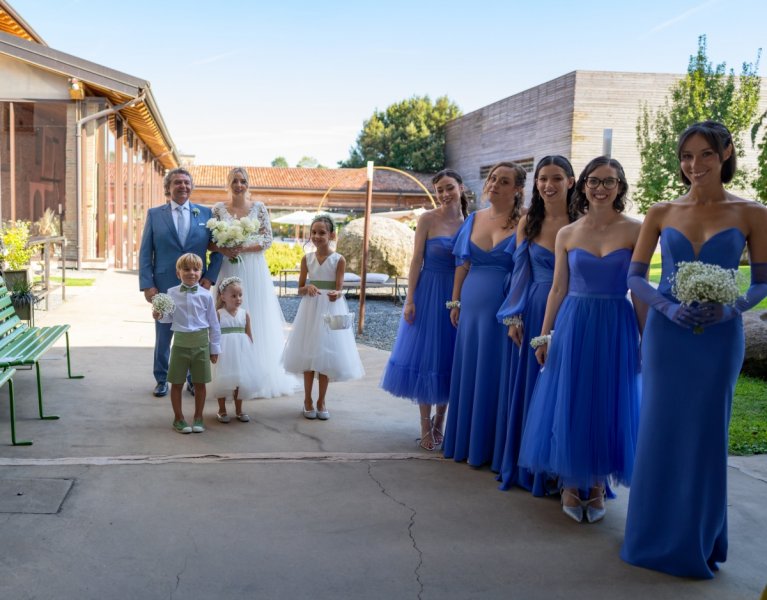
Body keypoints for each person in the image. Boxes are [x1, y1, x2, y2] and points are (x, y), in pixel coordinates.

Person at [621, 121, 767, 578]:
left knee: (705, 436)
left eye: (705, 155)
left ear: (725, 153)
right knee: (660, 431)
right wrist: (665, 307)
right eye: (686, 156)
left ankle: (697, 541)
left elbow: (762, 281)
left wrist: (733, 309)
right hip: (669, 336)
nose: (694, 165)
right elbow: (635, 277)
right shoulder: (661, 211)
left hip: (719, 339)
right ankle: (650, 539)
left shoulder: (753, 212)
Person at [517, 156, 642, 523]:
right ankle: (572, 483)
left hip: (616, 322)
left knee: (608, 399)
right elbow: (557, 288)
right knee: (572, 398)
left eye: (609, 181)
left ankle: (599, 484)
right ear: (583, 184)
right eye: (594, 181)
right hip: (574, 322)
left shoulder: (637, 230)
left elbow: (640, 289)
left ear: (620, 187)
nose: (601, 188)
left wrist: (646, 339)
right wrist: (542, 336)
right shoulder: (567, 234)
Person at [495, 155, 577, 494]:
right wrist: (514, 315)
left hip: (574, 308)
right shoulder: (528, 221)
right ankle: (534, 468)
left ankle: (567, 468)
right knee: (533, 387)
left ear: (571, 181)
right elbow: (519, 272)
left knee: (567, 388)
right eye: (543, 178)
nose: (548, 185)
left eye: (557, 178)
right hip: (534, 309)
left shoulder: (583, 220)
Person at [442, 162, 524, 467]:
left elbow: (528, 268)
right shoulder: (474, 218)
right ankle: (466, 443)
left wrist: (518, 311)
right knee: (471, 370)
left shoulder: (526, 220)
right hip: (472, 306)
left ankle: (494, 449)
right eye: (492, 179)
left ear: (517, 189)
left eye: (504, 181)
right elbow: (462, 265)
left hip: (505, 307)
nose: (494, 184)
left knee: (499, 374)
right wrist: (455, 302)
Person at [380, 169, 467, 450]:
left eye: (449, 187)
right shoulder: (427, 219)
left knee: (449, 358)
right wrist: (410, 299)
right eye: (439, 189)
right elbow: (416, 260)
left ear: (461, 188)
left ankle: (441, 421)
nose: (444, 194)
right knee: (427, 357)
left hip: (458, 294)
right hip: (429, 292)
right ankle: (424, 423)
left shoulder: (470, 223)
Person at [210, 167, 298, 398]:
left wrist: (244, 247)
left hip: (253, 268)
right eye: (235, 181)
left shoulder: (259, 207)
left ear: (248, 184)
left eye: (243, 181)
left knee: (255, 314)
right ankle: (226, 376)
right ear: (228, 184)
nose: (239, 185)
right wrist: (225, 248)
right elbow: (211, 241)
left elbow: (267, 239)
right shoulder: (218, 209)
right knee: (225, 316)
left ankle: (258, 375)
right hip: (229, 266)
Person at [139, 168, 222, 398]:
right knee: (163, 335)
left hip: (197, 287)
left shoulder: (205, 214)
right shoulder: (155, 215)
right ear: (169, 187)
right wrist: (148, 285)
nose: (183, 186)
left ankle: (192, 380)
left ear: (191, 186)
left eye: (186, 182)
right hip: (164, 285)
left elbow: (219, 251)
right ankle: (162, 379)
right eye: (177, 182)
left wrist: (209, 278)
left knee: (194, 334)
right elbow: (146, 253)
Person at [282, 215, 364, 420]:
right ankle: (308, 400)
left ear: (331, 234)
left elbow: (339, 288)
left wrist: (338, 293)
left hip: (330, 307)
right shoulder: (306, 259)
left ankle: (322, 400)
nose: (317, 236)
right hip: (310, 309)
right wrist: (306, 287)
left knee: (325, 354)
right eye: (314, 232)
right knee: (309, 354)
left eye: (322, 232)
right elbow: (299, 288)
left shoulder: (339, 260)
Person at [153, 253, 221, 434]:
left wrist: (214, 349)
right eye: (186, 269)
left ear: (201, 272)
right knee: (176, 382)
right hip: (180, 344)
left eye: (196, 269)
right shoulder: (171, 293)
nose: (191, 273)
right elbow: (167, 320)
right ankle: (179, 418)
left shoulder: (206, 296)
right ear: (178, 273)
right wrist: (159, 315)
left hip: (201, 344)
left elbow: (214, 324)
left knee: (200, 383)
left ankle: (198, 417)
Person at [209, 276, 261, 424]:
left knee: (240, 380)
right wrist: (213, 351)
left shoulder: (245, 314)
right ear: (223, 297)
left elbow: (249, 335)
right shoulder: (219, 314)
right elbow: (213, 334)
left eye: (240, 295)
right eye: (233, 295)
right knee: (223, 379)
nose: (238, 298)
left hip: (241, 352)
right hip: (224, 352)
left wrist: (251, 352)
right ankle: (222, 409)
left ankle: (239, 409)